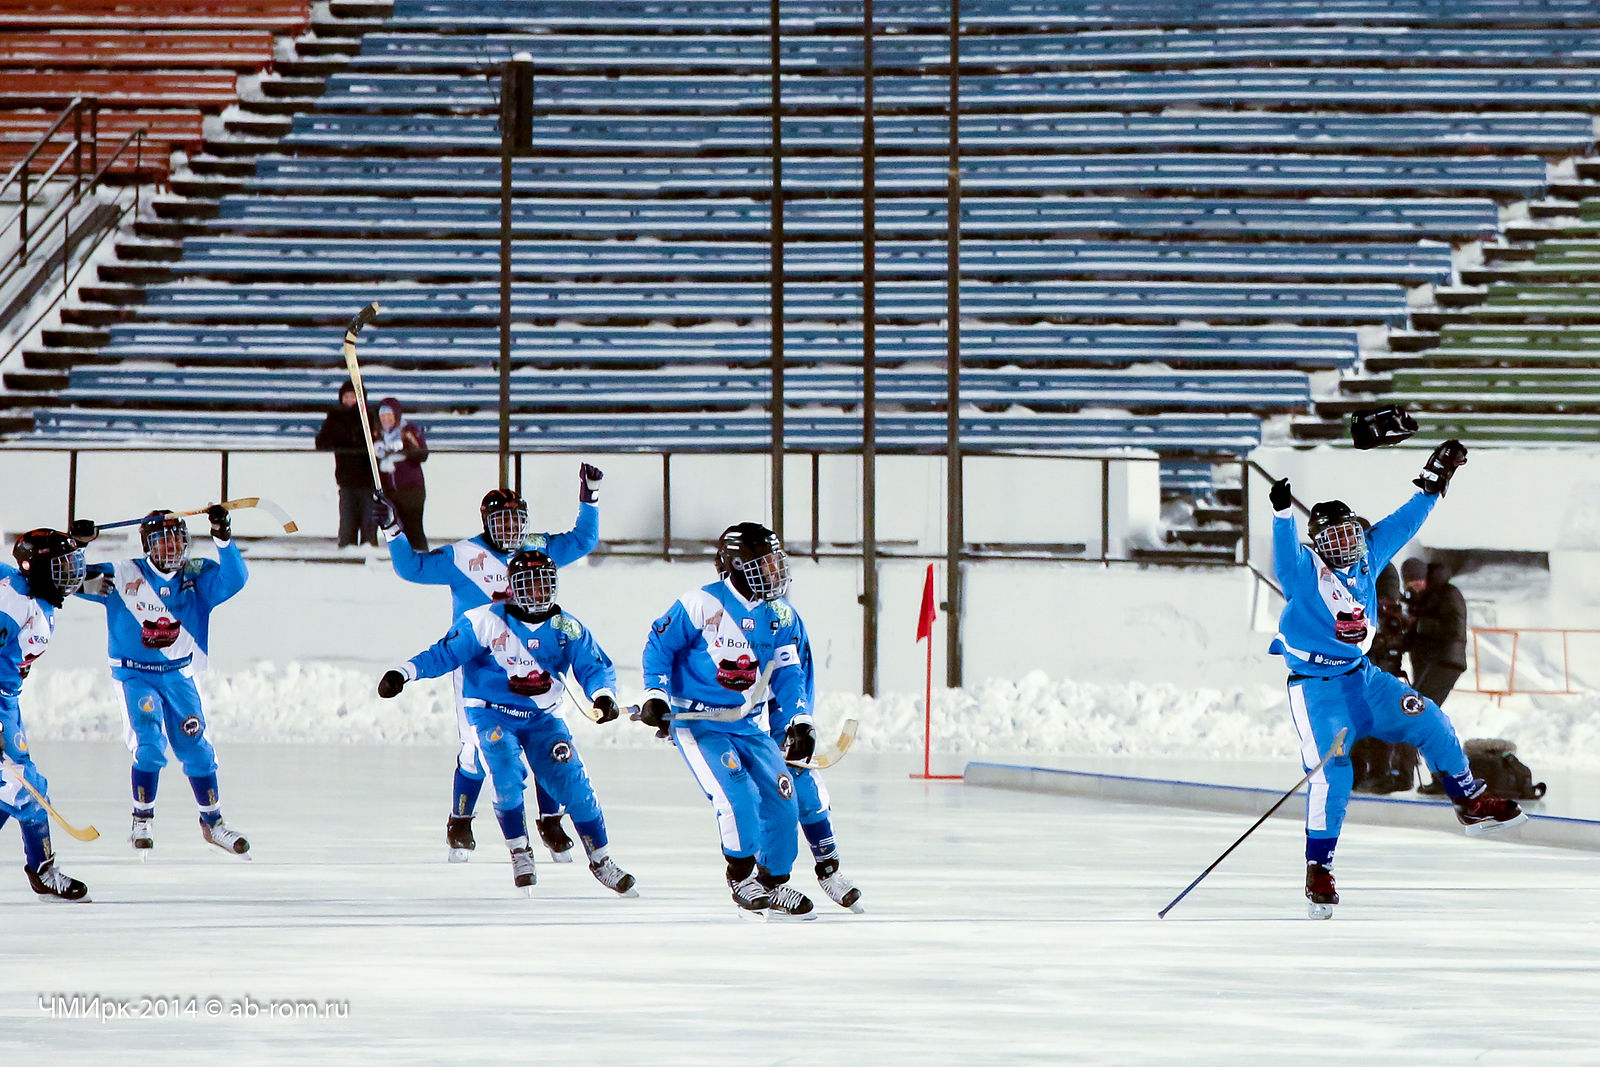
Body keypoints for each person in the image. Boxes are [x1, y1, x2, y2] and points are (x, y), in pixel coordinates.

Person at [1267, 440, 1526, 920]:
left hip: (1364, 678)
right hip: (1318, 689)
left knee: (1430, 720)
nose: (1347, 545)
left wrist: (1434, 482)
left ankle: (1469, 801)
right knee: (1333, 773)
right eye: (1335, 539)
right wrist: (1282, 516)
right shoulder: (1304, 572)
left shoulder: (1369, 553)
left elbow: (1405, 521)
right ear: (1319, 545)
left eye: (1350, 534)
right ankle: (1319, 867)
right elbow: (1283, 559)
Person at [375, 549, 636, 898]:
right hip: (492, 712)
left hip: (543, 717)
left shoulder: (566, 626)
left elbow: (593, 665)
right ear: (513, 587)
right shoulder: (483, 620)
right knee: (505, 772)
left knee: (574, 782)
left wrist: (603, 694)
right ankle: (519, 850)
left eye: (545, 585)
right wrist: (404, 672)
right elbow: (445, 653)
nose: (539, 593)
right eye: (530, 585)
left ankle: (602, 859)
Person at [377, 467, 603, 863]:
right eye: (503, 521)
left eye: (518, 520)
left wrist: (590, 498)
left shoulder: (536, 549)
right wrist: (393, 530)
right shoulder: (463, 556)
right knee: (478, 749)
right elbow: (411, 568)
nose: (512, 529)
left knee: (549, 743)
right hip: (479, 669)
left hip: (537, 666)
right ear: (486, 522)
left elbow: (583, 540)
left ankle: (550, 820)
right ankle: (461, 818)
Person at [639, 521, 818, 920]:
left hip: (746, 724)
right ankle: (741, 877)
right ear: (737, 566)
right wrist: (655, 694)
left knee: (782, 797)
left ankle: (773, 882)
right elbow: (659, 646)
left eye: (775, 562)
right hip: (700, 723)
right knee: (738, 797)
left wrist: (800, 719)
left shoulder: (780, 615)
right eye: (764, 564)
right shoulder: (700, 603)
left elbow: (788, 674)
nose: (774, 572)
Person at [75, 507, 252, 858]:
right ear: (148, 545)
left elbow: (235, 579)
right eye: (162, 540)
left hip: (178, 675)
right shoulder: (123, 573)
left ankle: (213, 823)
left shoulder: (196, 574)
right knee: (150, 744)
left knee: (198, 749)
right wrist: (78, 546)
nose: (172, 547)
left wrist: (223, 536)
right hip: (135, 675)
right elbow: (67, 580)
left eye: (177, 539)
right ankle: (142, 819)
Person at [0, 529, 91, 901]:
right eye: (61, 567)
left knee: (15, 787)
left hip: (8, 703)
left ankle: (43, 870)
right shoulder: (12, 603)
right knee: (26, 787)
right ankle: (43, 870)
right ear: (36, 570)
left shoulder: (34, 594)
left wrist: (81, 541)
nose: (71, 575)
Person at [1350, 562, 1418, 794]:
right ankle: (1358, 771)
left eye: (1389, 602)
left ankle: (1380, 771)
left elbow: (1403, 639)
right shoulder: (1361, 609)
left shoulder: (1395, 615)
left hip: (1383, 672)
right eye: (1382, 601)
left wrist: (1388, 635)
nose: (1385, 606)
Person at [314, 379, 378, 548]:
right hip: (346, 478)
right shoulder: (335, 418)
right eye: (346, 397)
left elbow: (375, 442)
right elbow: (321, 443)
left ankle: (369, 552)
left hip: (368, 479)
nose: (349, 400)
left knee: (368, 524)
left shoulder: (369, 416)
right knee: (347, 526)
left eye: (353, 396)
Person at [1410, 561, 1469, 708]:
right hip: (1435, 659)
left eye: (1417, 584)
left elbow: (1454, 627)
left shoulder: (1448, 593)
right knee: (1420, 707)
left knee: (1417, 707)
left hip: (1443, 659)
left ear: (1426, 578)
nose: (1416, 589)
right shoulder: (1427, 596)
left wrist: (1418, 623)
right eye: (1411, 586)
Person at [374, 397, 429, 550]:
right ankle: (404, 559)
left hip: (411, 489)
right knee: (398, 531)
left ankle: (421, 556)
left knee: (414, 528)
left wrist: (405, 446)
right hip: (391, 491)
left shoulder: (408, 430)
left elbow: (422, 454)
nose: (386, 419)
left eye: (389, 415)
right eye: (382, 415)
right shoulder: (378, 435)